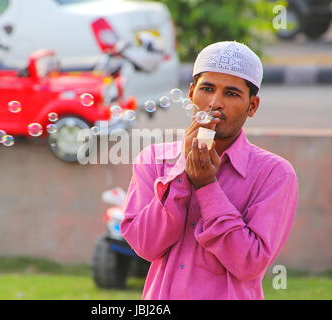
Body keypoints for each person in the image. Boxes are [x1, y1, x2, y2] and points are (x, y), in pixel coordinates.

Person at [120, 41, 298, 300]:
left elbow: (249, 263)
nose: (215, 103)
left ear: (252, 106)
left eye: (232, 94)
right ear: (191, 93)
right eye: (207, 89)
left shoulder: (275, 174)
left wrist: (206, 186)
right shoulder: (155, 160)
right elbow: (146, 245)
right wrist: (182, 170)